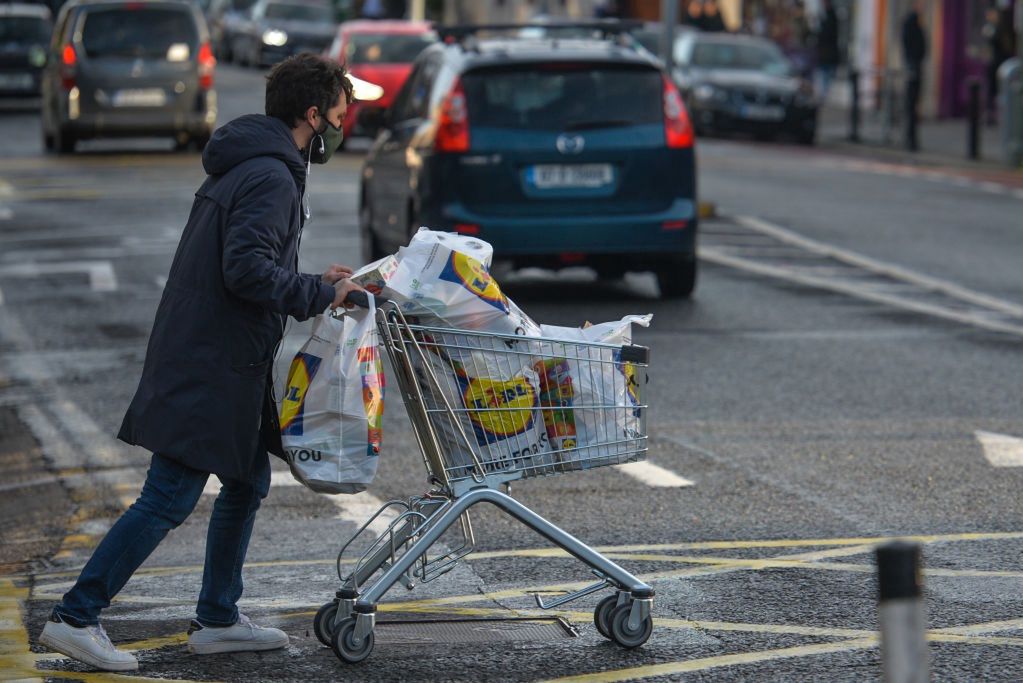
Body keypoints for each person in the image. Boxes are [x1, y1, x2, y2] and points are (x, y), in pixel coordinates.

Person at [37, 53, 362, 672]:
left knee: (245, 482)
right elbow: (244, 271)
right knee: (169, 495)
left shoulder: (258, 161)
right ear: (313, 115)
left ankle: (216, 618)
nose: (342, 131)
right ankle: (76, 616)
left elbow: (249, 259)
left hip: (223, 351)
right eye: (339, 117)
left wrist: (313, 279)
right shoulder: (271, 175)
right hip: (211, 356)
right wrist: (319, 294)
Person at [901, 1, 927, 152]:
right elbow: (909, 44)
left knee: (914, 105)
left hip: (916, 66)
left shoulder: (917, 21)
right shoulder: (911, 21)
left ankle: (912, 139)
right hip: (913, 68)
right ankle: (910, 140)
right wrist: (912, 64)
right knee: (911, 105)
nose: (922, 6)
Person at [814, 0, 840, 102]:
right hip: (826, 56)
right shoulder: (827, 16)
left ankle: (825, 100)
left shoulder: (829, 17)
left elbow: (826, 35)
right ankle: (825, 98)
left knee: (826, 81)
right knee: (825, 81)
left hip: (827, 56)